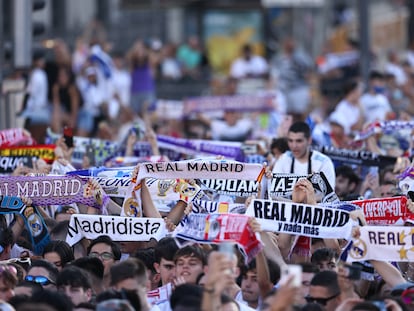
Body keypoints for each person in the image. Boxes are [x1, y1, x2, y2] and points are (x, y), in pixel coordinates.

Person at [272, 121, 336, 189]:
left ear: (309, 140)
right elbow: (273, 190)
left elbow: (329, 194)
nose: (294, 146)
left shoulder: (323, 162)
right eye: (290, 141)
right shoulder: (284, 159)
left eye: (299, 141)